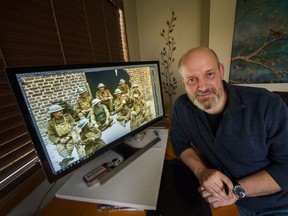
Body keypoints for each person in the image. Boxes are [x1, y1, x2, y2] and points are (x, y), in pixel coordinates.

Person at [170, 47, 288, 215]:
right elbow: (179, 143)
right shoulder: (182, 108)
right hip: (222, 199)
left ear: (221, 71)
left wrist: (236, 191)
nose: (202, 87)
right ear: (183, 83)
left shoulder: (268, 105)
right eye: (192, 80)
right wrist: (201, 171)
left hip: (274, 205)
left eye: (209, 74)